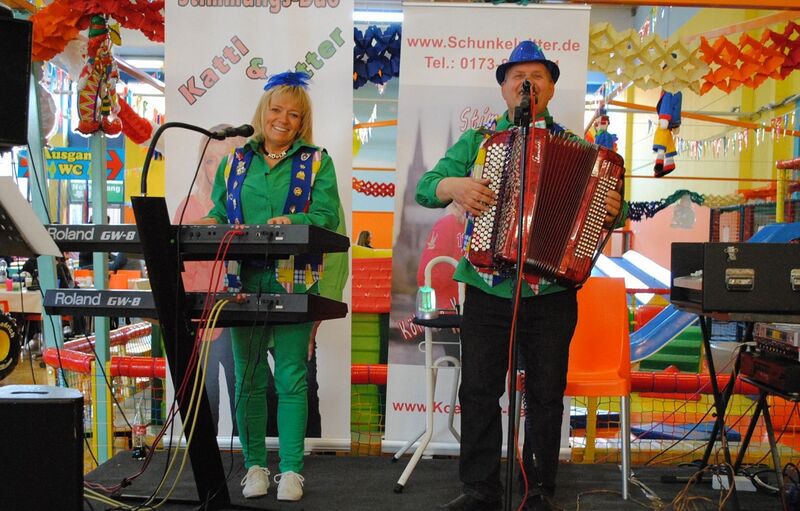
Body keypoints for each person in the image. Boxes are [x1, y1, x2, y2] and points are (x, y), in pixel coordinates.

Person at [415, 40, 625, 511]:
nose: (526, 83)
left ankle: (539, 491)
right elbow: (427, 189)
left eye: (537, 75)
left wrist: (615, 208)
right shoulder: (477, 141)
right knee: (479, 389)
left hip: (551, 291)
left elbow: (616, 207)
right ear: (504, 88)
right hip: (487, 288)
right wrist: (454, 185)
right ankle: (480, 489)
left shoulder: (579, 148)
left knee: (546, 395)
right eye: (517, 76)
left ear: (549, 88)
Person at [197, 71, 342, 502]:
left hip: (295, 278)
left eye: (293, 114)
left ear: (302, 122)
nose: (283, 119)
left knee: (292, 377)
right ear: (263, 112)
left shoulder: (317, 161)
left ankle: (292, 470)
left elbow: (328, 216)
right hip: (242, 279)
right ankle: (255, 466)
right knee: (248, 378)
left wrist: (293, 220)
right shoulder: (235, 161)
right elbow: (222, 211)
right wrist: (206, 222)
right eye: (276, 110)